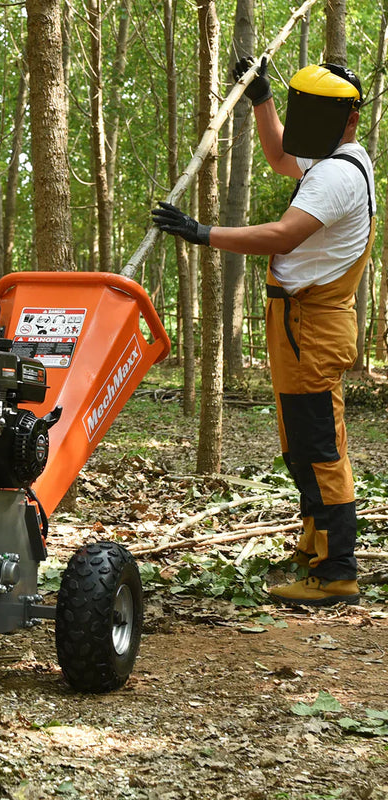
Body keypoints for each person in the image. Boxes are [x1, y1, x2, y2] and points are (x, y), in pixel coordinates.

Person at [152, 58, 375, 607]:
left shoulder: (338, 174)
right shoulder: (329, 157)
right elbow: (279, 156)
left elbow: (282, 235)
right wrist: (261, 98)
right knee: (300, 443)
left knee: (320, 446)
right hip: (297, 321)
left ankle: (337, 570)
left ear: (347, 120)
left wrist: (204, 233)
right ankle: (314, 546)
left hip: (313, 325)